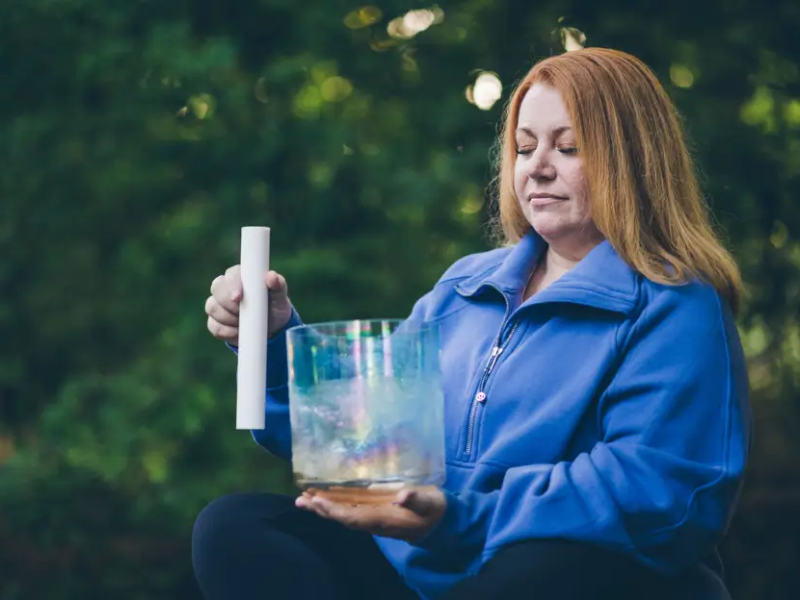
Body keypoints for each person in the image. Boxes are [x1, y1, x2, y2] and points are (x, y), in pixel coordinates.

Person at [193, 47, 751, 599]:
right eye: (525, 146)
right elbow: (366, 442)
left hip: (559, 576)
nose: (537, 165)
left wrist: (458, 516)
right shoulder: (464, 286)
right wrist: (271, 337)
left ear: (632, 159)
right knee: (235, 527)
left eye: (569, 146)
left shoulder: (675, 305)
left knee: (539, 569)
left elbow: (654, 495)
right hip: (425, 571)